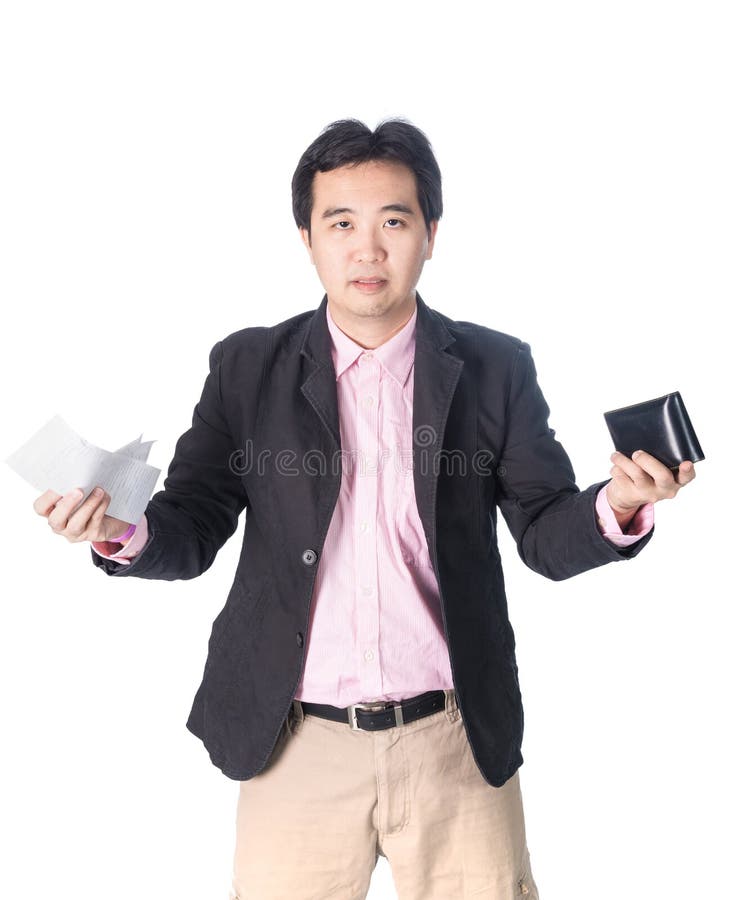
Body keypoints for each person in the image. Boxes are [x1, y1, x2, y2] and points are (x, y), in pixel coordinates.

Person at [32, 118, 696, 900]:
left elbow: (545, 534)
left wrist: (618, 503)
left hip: (455, 740)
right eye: (339, 223)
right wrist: (120, 531)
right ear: (306, 239)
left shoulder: (494, 366)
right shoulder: (247, 366)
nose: (367, 248)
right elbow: (194, 520)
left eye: (393, 221)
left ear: (431, 233)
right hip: (293, 741)